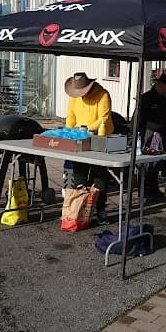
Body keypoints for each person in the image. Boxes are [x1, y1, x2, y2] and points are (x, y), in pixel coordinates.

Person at [64, 72, 114, 222]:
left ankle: (100, 209)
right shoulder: (74, 98)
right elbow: (70, 117)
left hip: (100, 138)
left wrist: (84, 130)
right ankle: (81, 207)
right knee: (79, 173)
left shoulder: (103, 95)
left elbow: (103, 118)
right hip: (80, 139)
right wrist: (68, 133)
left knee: (99, 176)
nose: (80, 95)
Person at [138, 74, 166, 201]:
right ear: (160, 85)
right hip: (149, 132)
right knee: (148, 164)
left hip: (161, 132)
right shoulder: (147, 98)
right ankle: (146, 191)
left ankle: (153, 189)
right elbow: (140, 118)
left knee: (156, 163)